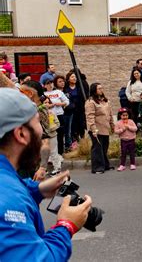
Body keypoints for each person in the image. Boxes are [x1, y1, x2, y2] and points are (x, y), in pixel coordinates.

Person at [0, 88, 93, 261]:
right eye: (38, 122)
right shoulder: (8, 200)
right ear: (21, 134)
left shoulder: (7, 179)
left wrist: (37, 190)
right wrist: (66, 225)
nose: (43, 132)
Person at [85, 83, 114, 174]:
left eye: (102, 88)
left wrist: (112, 125)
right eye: (99, 88)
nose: (101, 90)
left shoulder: (105, 101)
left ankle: (105, 165)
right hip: (96, 129)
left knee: (104, 147)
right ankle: (97, 167)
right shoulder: (90, 102)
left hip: (105, 127)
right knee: (97, 148)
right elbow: (90, 116)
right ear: (94, 90)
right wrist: (93, 128)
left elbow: (110, 114)